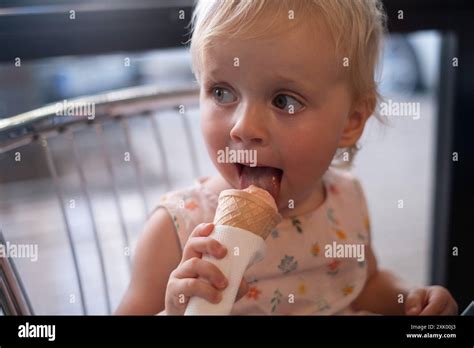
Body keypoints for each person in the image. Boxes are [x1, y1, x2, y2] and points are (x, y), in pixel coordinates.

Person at [116, 0, 457, 315]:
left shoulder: (346, 202)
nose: (243, 127)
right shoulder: (175, 230)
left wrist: (408, 298)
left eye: (285, 101)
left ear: (351, 121)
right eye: (222, 92)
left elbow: (364, 283)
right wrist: (176, 310)